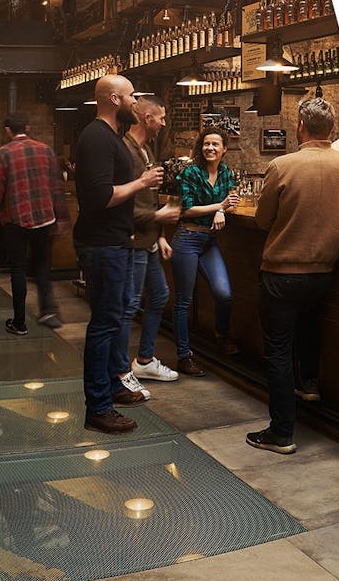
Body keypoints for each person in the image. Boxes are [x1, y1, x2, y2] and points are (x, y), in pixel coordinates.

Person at [248, 97, 339, 455]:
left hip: (282, 272)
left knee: (279, 351)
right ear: (331, 129)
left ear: (300, 126)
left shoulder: (282, 166)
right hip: (323, 273)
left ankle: (282, 432)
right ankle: (311, 386)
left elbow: (261, 219)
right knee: (309, 327)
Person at [73, 74, 163, 434]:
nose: (135, 102)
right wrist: (142, 183)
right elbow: (99, 197)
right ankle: (98, 407)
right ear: (113, 99)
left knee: (113, 319)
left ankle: (112, 386)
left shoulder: (110, 137)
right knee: (104, 323)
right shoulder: (96, 138)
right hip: (102, 245)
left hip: (115, 241)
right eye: (130, 96)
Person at [0, 113, 69, 335]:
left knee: (19, 269)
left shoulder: (2, 154)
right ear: (28, 127)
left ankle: (19, 322)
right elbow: (57, 187)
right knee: (42, 266)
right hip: (44, 217)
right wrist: (61, 218)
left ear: (8, 130)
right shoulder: (46, 150)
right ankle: (48, 311)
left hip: (15, 219)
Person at [171, 127, 240, 378]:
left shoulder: (225, 171)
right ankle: (183, 356)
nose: (210, 148)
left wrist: (223, 209)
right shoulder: (190, 172)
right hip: (187, 239)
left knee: (224, 294)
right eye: (206, 144)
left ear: (224, 149)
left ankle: (221, 335)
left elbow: (232, 196)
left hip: (209, 242)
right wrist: (219, 207)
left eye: (215, 144)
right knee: (183, 302)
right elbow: (186, 209)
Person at [123, 96, 182, 388]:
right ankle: (121, 371)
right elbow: (121, 203)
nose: (163, 122)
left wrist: (160, 234)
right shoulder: (126, 151)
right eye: (161, 117)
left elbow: (146, 197)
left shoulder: (145, 150)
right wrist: (157, 215)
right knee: (130, 304)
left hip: (149, 240)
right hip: (133, 243)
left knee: (158, 296)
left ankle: (144, 361)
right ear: (147, 118)